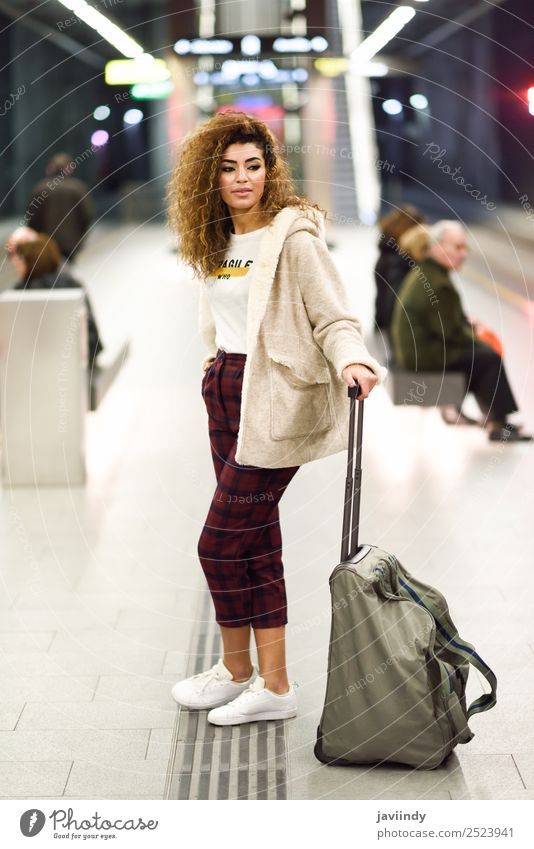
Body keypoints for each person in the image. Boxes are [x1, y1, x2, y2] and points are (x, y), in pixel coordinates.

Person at [167, 110, 387, 726]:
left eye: (254, 166)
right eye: (230, 168)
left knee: (219, 543)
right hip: (227, 391)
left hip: (275, 401)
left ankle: (249, 675)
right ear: (210, 177)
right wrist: (213, 365)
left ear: (269, 171)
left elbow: (333, 317)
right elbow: (222, 315)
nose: (243, 178)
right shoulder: (214, 240)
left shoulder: (292, 239)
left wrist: (354, 360)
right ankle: (263, 682)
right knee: (256, 544)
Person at [390, 220, 531, 442]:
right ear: (437, 246)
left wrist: (467, 328)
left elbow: (445, 321)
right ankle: (497, 424)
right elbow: (452, 334)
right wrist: (479, 338)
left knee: (481, 354)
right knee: (488, 357)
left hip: (419, 351)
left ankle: (492, 418)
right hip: (423, 357)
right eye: (457, 248)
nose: (463, 254)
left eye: (465, 248)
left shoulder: (429, 273)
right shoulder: (438, 283)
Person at [10, 234, 103, 366]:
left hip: (43, 365)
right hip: (83, 359)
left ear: (33, 260)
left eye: (19, 257)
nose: (14, 262)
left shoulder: (26, 291)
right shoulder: (72, 282)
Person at [26, 153, 93, 260]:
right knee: (65, 273)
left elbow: (32, 220)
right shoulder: (78, 188)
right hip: (70, 243)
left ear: (51, 168)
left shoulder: (39, 189)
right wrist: (79, 239)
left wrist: (38, 240)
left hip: (46, 244)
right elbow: (86, 216)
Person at [374, 204, 425, 333]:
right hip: (392, 328)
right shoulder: (399, 260)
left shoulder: (387, 251)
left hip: (382, 324)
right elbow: (393, 301)